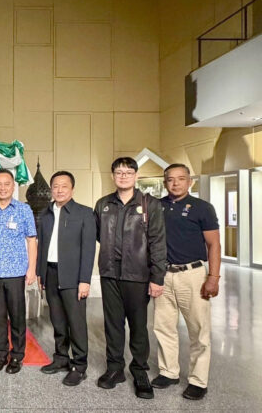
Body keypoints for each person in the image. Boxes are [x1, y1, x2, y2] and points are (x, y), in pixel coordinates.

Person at [94, 157, 167, 399]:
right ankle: (115, 368)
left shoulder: (149, 204)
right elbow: (99, 235)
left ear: (136, 176)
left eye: (128, 172)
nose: (123, 176)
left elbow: (157, 242)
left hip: (138, 274)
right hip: (109, 273)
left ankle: (139, 371)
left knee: (138, 326)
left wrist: (157, 277)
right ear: (113, 176)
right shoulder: (103, 204)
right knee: (113, 324)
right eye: (119, 172)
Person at [152, 164, 221, 400]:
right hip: (163, 275)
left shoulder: (203, 208)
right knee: (163, 327)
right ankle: (169, 372)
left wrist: (213, 277)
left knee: (199, 330)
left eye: (181, 179)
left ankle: (198, 381)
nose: (175, 183)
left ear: (190, 181)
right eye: (170, 179)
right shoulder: (157, 206)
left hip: (193, 275)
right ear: (165, 183)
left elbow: (214, 244)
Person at [36, 171, 96, 386]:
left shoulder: (84, 213)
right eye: (55, 186)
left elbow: (89, 249)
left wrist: (84, 280)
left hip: (73, 275)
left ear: (72, 189)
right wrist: (41, 273)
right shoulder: (46, 214)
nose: (59, 190)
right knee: (57, 320)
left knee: (76, 322)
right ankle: (61, 358)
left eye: (64, 186)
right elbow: (41, 245)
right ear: (51, 189)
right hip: (51, 273)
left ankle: (79, 366)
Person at [0, 169, 37, 374]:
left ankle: (17, 355)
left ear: (13, 186)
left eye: (7, 184)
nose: (2, 188)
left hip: (16, 272)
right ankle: (1, 354)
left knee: (17, 316)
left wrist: (32, 268)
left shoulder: (23, 210)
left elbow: (31, 240)